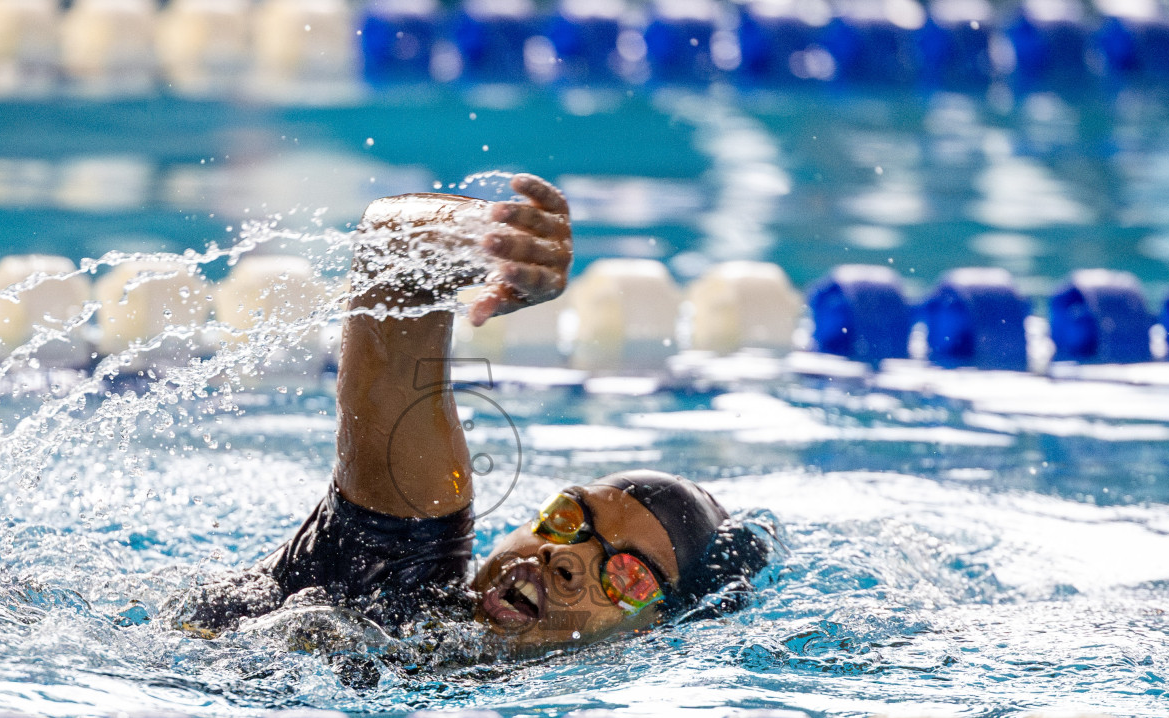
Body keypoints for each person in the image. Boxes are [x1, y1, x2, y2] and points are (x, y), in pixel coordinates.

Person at [164, 174, 772, 654]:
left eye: (627, 577)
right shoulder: (401, 567)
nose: (564, 559)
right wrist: (485, 237)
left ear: (651, 631)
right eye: (567, 519)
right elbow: (389, 246)